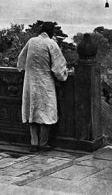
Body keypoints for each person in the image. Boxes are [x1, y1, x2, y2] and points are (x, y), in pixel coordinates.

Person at [17, 21, 68, 152]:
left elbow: (21, 60)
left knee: (31, 111)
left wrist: (25, 70)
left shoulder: (31, 41)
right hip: (45, 83)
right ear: (51, 32)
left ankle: (33, 143)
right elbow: (58, 68)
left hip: (30, 82)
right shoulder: (51, 44)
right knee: (47, 112)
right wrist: (63, 75)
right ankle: (43, 143)